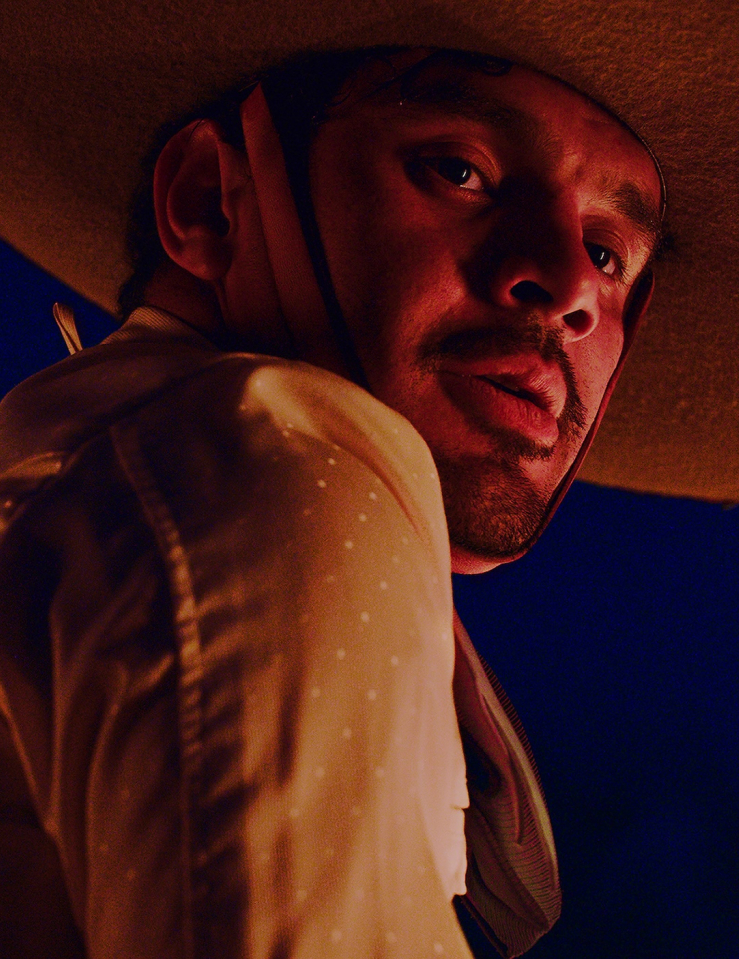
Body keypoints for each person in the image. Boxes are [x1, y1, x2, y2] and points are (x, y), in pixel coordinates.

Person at [0, 45, 663, 959]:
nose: (570, 285)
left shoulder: (89, 474)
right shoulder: (274, 456)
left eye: (607, 252)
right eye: (460, 171)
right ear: (205, 200)